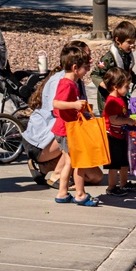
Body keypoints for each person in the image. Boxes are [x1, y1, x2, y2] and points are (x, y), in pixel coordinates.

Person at [23, 41, 104, 188]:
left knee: (96, 177)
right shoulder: (62, 81)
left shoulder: (75, 80)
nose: (91, 60)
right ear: (75, 63)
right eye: (87, 56)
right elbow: (57, 108)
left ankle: (46, 168)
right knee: (77, 140)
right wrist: (76, 108)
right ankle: (58, 176)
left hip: (60, 135)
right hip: (43, 141)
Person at [51, 45, 98, 206]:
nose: (87, 71)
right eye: (85, 68)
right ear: (75, 68)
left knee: (69, 162)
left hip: (64, 128)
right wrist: (74, 105)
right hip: (67, 130)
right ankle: (80, 194)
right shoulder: (67, 84)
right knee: (79, 162)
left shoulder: (69, 83)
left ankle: (63, 193)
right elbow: (56, 103)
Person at [91, 21, 136, 114]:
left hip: (121, 97)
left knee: (121, 120)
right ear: (118, 40)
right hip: (107, 100)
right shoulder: (108, 58)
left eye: (133, 42)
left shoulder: (127, 56)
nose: (132, 45)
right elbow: (95, 75)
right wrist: (106, 86)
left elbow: (127, 73)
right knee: (109, 123)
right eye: (129, 42)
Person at [101, 68, 136, 198]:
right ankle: (111, 187)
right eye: (126, 86)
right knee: (114, 164)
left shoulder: (120, 98)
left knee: (124, 162)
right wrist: (128, 121)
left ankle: (123, 184)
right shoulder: (112, 101)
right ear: (116, 86)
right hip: (112, 137)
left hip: (120, 136)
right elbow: (113, 119)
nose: (128, 89)